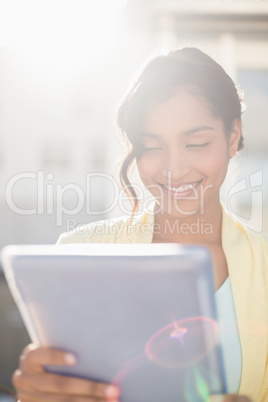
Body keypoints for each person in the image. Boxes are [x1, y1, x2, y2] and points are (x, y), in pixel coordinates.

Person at [12, 48, 268, 402]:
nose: (173, 170)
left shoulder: (265, 266)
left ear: (233, 137)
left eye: (197, 143)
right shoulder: (80, 254)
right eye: (151, 147)